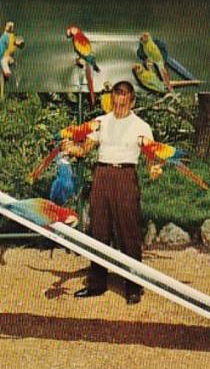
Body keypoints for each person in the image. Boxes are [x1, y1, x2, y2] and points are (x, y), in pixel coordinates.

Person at [63, 81, 156, 305]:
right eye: (115, 103)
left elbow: (153, 156)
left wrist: (155, 167)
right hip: (102, 175)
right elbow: (83, 150)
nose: (118, 108)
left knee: (128, 231)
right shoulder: (101, 122)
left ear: (132, 101)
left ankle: (133, 285)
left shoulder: (141, 126)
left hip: (125, 176)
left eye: (123, 104)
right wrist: (71, 148)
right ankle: (97, 283)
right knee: (99, 229)